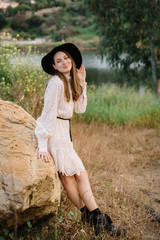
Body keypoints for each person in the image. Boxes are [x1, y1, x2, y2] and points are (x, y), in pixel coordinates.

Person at [35, 43, 124, 237]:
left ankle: (93, 217)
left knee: (80, 176)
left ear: (72, 60)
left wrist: (82, 84)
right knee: (69, 179)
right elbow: (48, 114)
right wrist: (42, 144)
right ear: (54, 66)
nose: (64, 62)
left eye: (66, 58)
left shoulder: (68, 81)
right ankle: (100, 220)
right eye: (59, 61)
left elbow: (80, 109)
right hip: (55, 133)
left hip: (64, 133)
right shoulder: (56, 83)